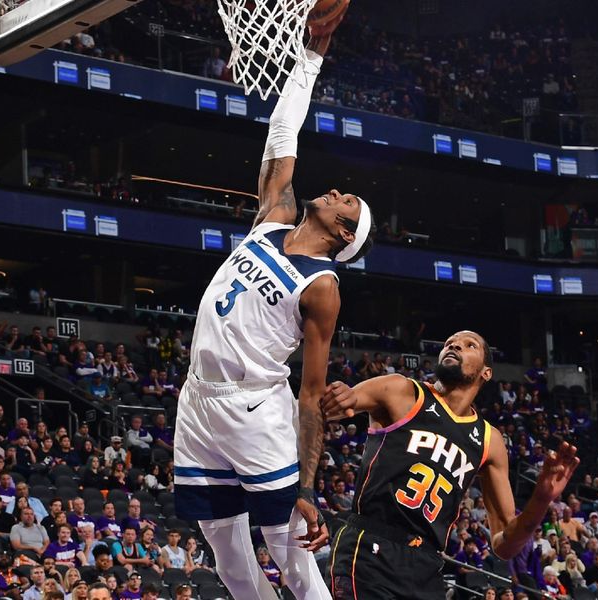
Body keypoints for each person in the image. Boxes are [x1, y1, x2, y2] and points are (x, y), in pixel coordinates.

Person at [173, 9, 371, 600]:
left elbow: (311, 393)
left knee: (291, 552)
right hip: (198, 398)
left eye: (347, 204)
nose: (336, 192)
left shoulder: (322, 286)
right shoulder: (273, 218)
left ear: (343, 237)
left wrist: (309, 485)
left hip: (257, 409)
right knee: (228, 556)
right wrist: (309, 58)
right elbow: (282, 137)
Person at [321, 330, 580, 599]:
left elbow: (505, 545)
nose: (455, 345)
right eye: (449, 343)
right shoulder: (401, 391)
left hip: (426, 565)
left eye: (470, 345)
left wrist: (541, 498)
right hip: (370, 546)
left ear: (486, 373)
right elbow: (327, 408)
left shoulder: (490, 440)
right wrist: (339, 397)